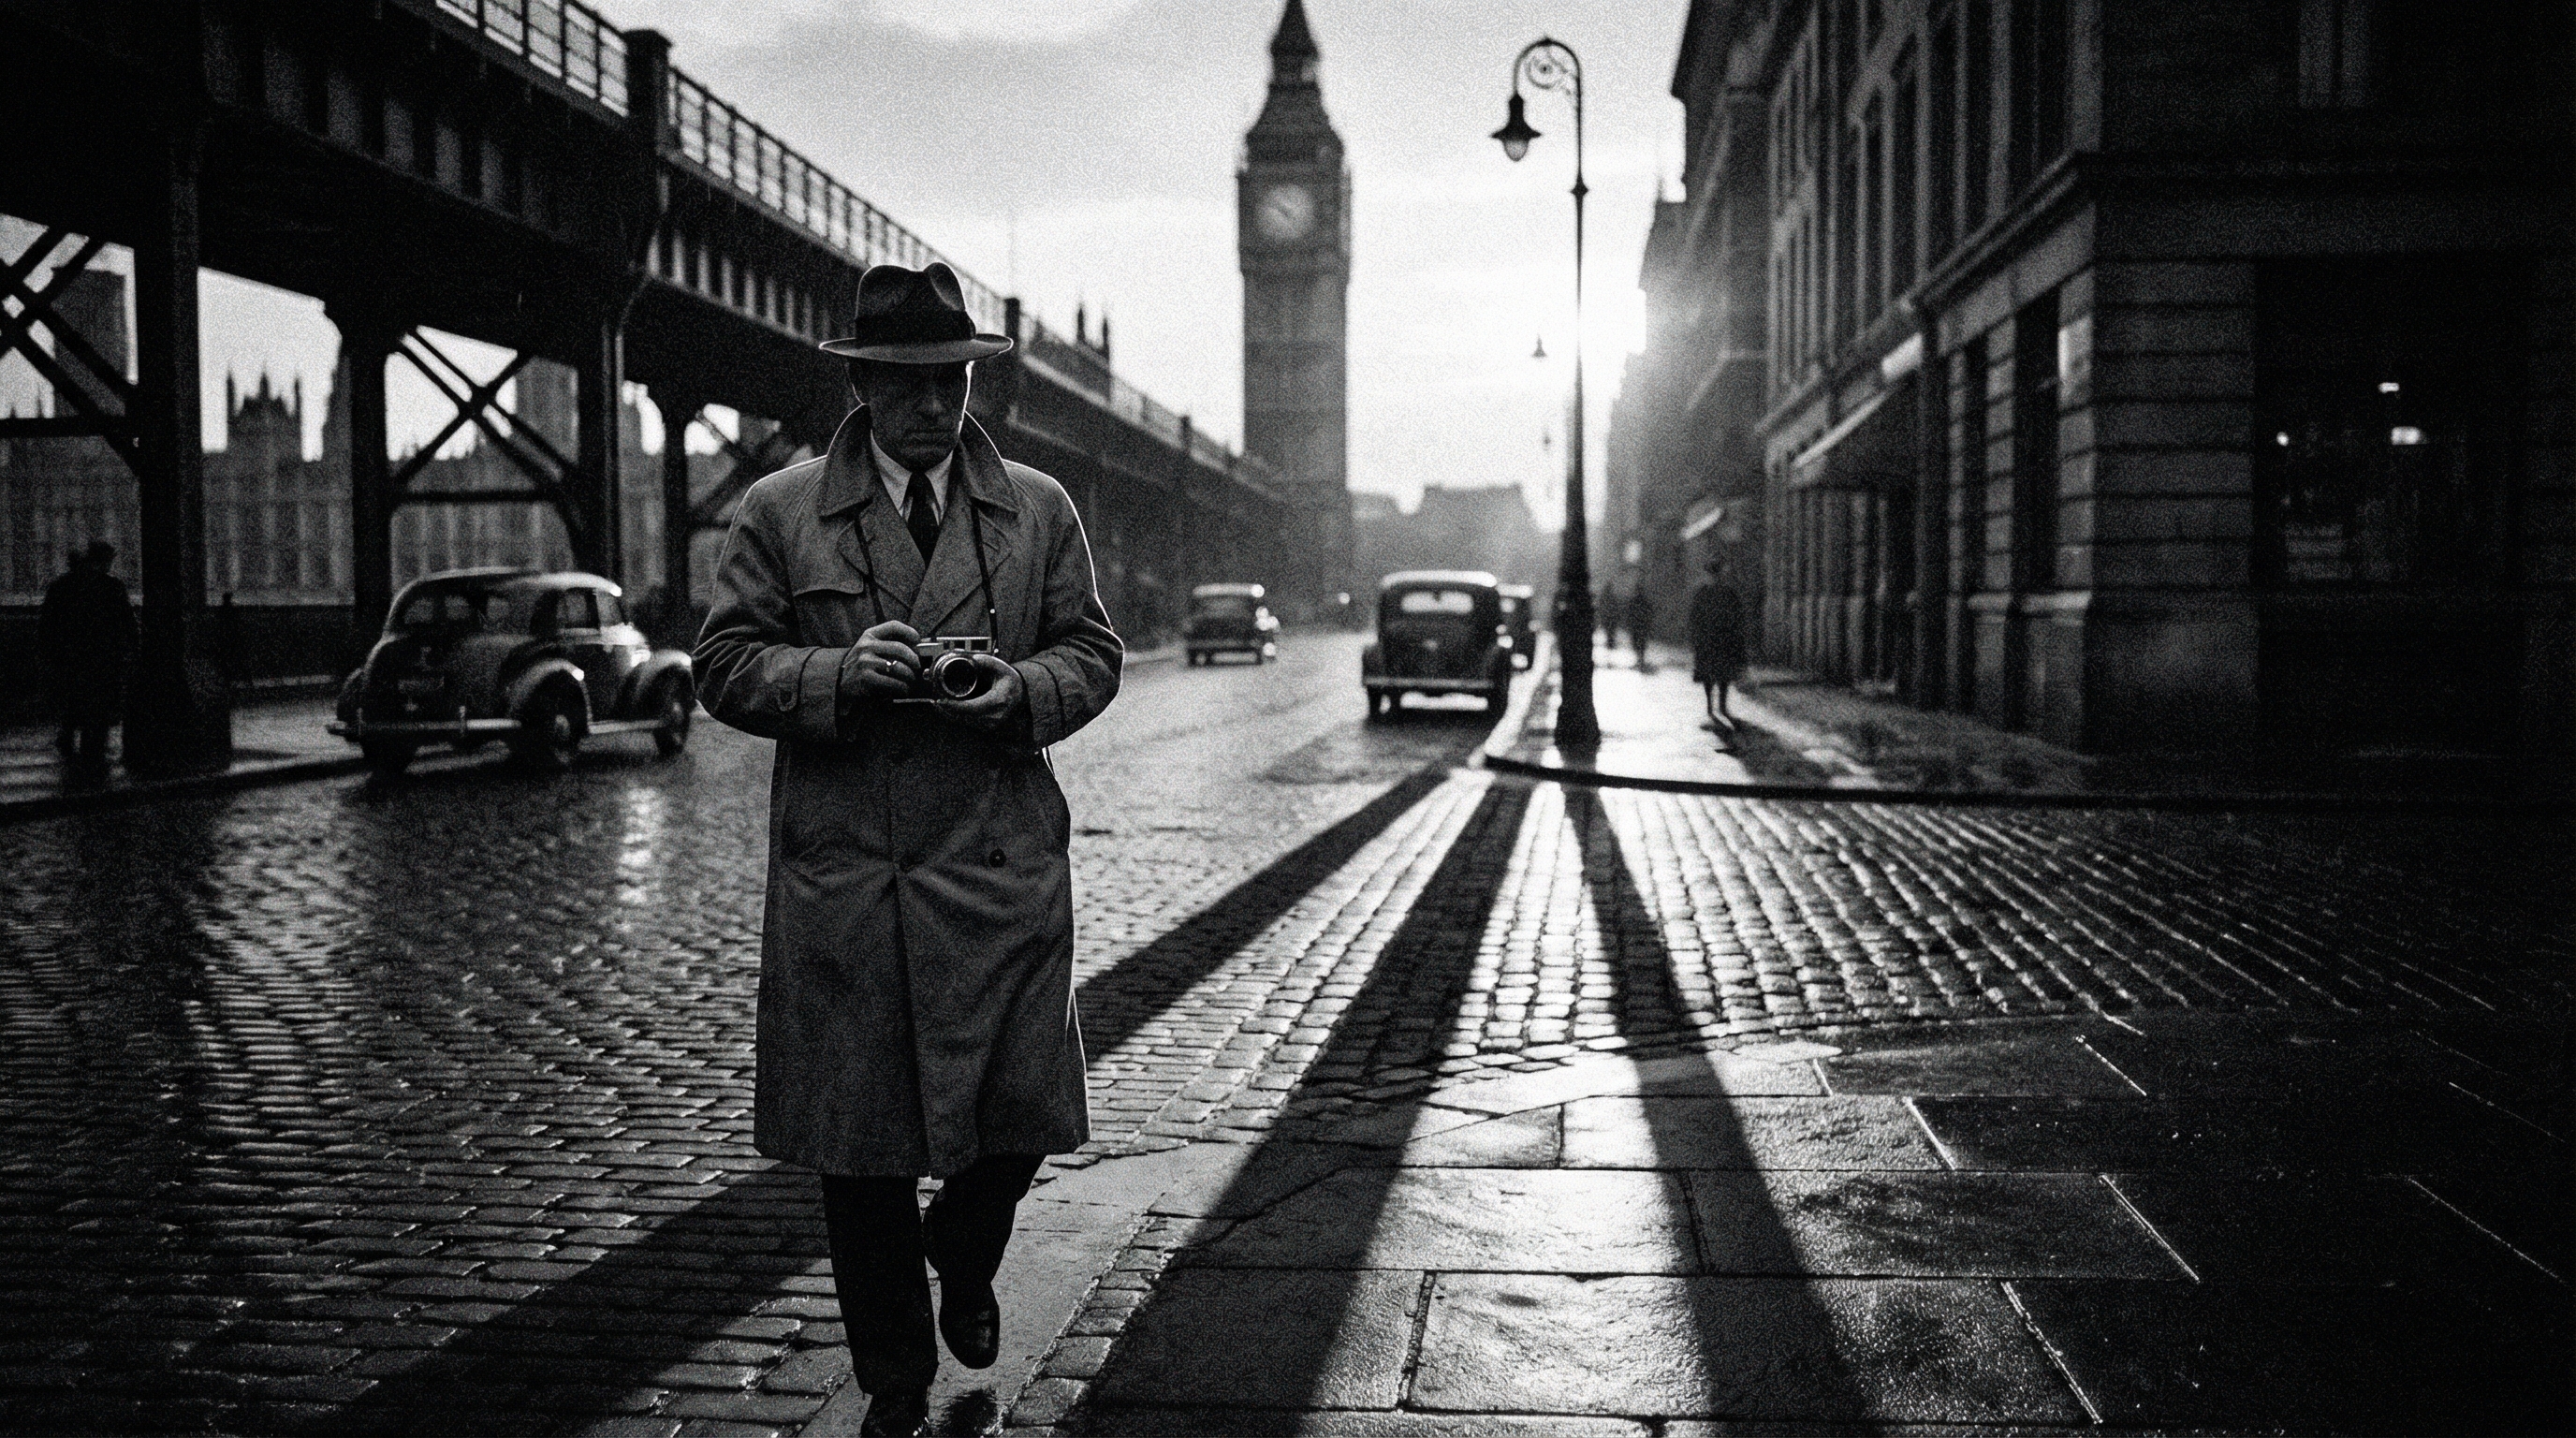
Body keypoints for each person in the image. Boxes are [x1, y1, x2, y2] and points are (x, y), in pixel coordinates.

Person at [694, 262, 1120, 1438]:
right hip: (854, 870)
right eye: (907, 383)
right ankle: (891, 1371)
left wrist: (1020, 689)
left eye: (951, 380)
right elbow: (722, 664)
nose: (934, 405)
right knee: (861, 1141)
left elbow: (1092, 651)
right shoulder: (780, 511)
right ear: (864, 385)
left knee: (1024, 1102)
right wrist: (837, 674)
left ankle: (968, 1246)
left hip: (997, 860)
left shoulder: (1040, 507)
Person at [37, 540, 137, 779]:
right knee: (99, 708)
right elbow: (127, 623)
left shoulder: (61, 586)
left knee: (73, 698)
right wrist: (132, 648)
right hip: (103, 656)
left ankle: (70, 740)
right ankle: (93, 764)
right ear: (105, 560)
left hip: (70, 655)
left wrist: (50, 653)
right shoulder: (112, 586)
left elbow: (47, 624)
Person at [1690, 559, 1749, 741]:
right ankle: (1718, 707)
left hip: (1714, 641)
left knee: (1715, 675)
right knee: (1717, 675)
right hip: (1720, 641)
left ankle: (1715, 707)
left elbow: (1694, 619)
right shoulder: (1725, 593)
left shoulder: (1706, 593)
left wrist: (1696, 638)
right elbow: (1738, 618)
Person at [1627, 587, 1656, 669]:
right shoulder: (1644, 602)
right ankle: (1640, 659)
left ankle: (1640, 659)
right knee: (1641, 643)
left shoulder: (1634, 602)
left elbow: (1629, 614)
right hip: (1642, 626)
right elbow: (1650, 614)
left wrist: (1630, 624)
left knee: (1637, 643)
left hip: (1637, 626)